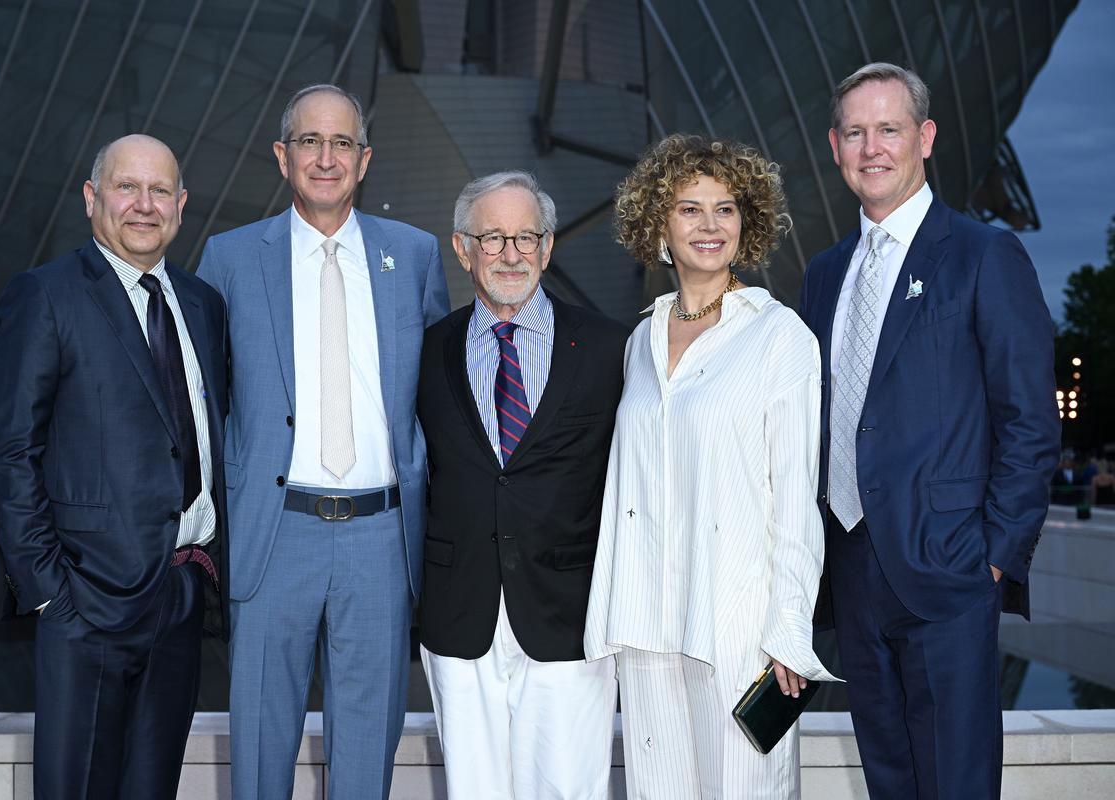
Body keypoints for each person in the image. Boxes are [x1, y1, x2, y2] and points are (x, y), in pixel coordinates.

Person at [799, 63, 1059, 798]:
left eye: (889, 128)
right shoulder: (824, 274)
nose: (871, 147)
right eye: (856, 132)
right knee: (890, 779)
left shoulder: (984, 254)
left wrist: (994, 561)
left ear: (927, 137)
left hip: (950, 571)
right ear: (835, 144)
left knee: (955, 783)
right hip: (850, 569)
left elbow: (1030, 422)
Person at [196, 84, 450, 800]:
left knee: (368, 753)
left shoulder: (416, 254)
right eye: (310, 141)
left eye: (342, 143)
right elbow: (206, 401)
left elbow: (437, 398)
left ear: (364, 160)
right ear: (283, 156)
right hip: (274, 534)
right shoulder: (230, 257)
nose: (326, 157)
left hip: (379, 536)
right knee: (258, 745)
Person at [584, 134, 838, 799]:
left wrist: (789, 630)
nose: (709, 225)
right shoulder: (641, 337)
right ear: (658, 224)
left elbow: (795, 496)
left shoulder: (778, 336)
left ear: (746, 222)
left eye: (725, 208)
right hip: (646, 624)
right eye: (690, 208)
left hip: (736, 627)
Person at [0, 134, 228, 799]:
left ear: (180, 206)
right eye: (127, 187)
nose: (143, 205)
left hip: (178, 596)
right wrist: (48, 592)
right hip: (84, 602)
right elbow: (10, 451)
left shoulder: (202, 304)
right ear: (93, 199)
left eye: (159, 191)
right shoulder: (46, 295)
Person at [417, 171, 625, 798]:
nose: (512, 255)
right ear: (462, 248)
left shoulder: (610, 348)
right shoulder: (426, 352)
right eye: (493, 238)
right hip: (460, 616)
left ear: (548, 246)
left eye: (526, 237)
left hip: (570, 614)